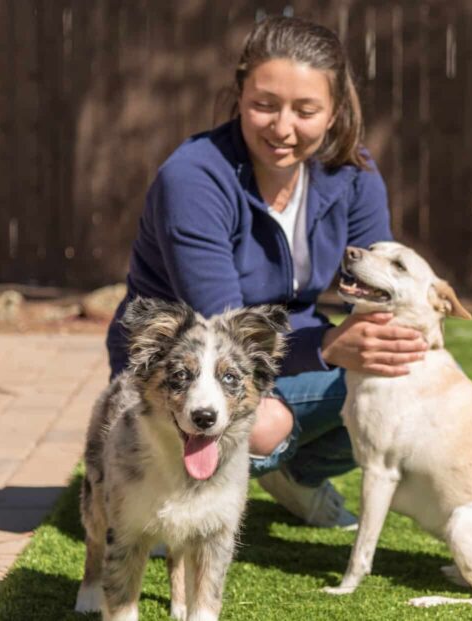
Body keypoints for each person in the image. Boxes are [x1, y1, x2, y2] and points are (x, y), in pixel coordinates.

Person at [105, 16, 427, 529]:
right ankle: (164, 499)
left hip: (278, 341)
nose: (282, 128)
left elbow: (375, 293)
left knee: (408, 379)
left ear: (335, 110)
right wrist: (324, 348)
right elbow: (222, 325)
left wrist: (387, 338)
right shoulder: (192, 177)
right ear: (239, 95)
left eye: (305, 110)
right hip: (193, 359)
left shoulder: (354, 173)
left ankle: (296, 476)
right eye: (264, 105)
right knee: (263, 425)